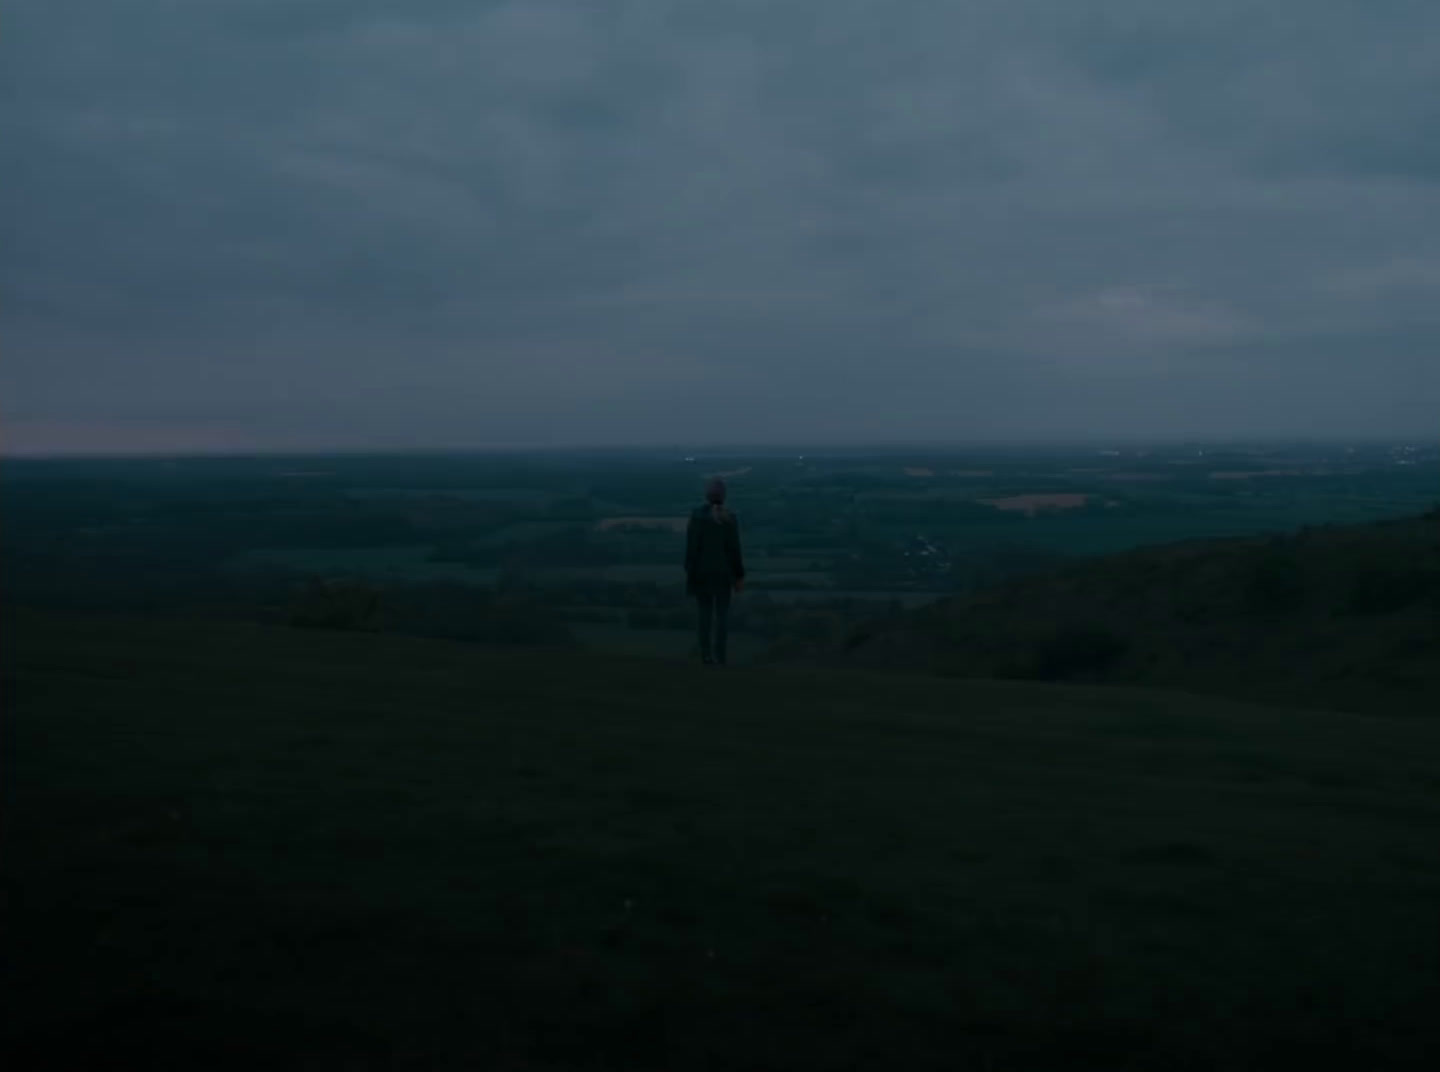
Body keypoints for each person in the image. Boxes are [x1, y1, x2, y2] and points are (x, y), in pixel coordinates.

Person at [685, 477, 745, 666]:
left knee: (704, 616)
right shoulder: (730, 518)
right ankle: (721, 656)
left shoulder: (696, 517)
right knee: (722, 617)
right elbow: (734, 550)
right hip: (723, 574)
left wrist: (690, 572)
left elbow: (692, 548)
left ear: (707, 495)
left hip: (702, 574)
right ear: (724, 496)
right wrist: (739, 576)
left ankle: (706, 656)